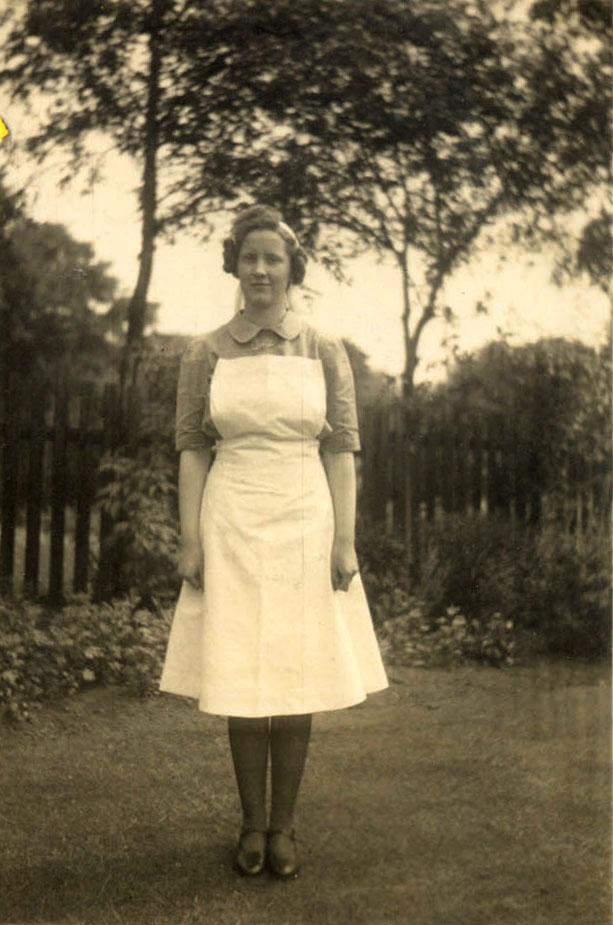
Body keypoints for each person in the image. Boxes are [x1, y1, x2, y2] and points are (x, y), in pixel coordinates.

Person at [159, 204, 388, 879]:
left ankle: (283, 825)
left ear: (291, 269)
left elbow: (341, 449)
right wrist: (190, 539)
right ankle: (249, 822)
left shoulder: (322, 348)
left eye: (273, 258)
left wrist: (343, 541)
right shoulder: (204, 351)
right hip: (230, 516)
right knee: (239, 672)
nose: (260, 269)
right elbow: (192, 451)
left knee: (293, 675)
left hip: (303, 518)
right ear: (234, 264)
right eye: (250, 257)